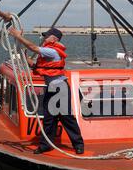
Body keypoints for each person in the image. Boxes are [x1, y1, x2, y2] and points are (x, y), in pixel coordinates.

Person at [8, 27, 85, 155]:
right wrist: (24, 55)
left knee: (66, 117)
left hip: (61, 88)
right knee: (49, 118)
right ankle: (46, 145)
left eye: (47, 36)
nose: (44, 38)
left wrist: (18, 36)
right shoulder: (48, 53)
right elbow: (36, 65)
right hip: (52, 88)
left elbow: (33, 47)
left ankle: (78, 144)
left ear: (54, 39)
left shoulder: (52, 51)